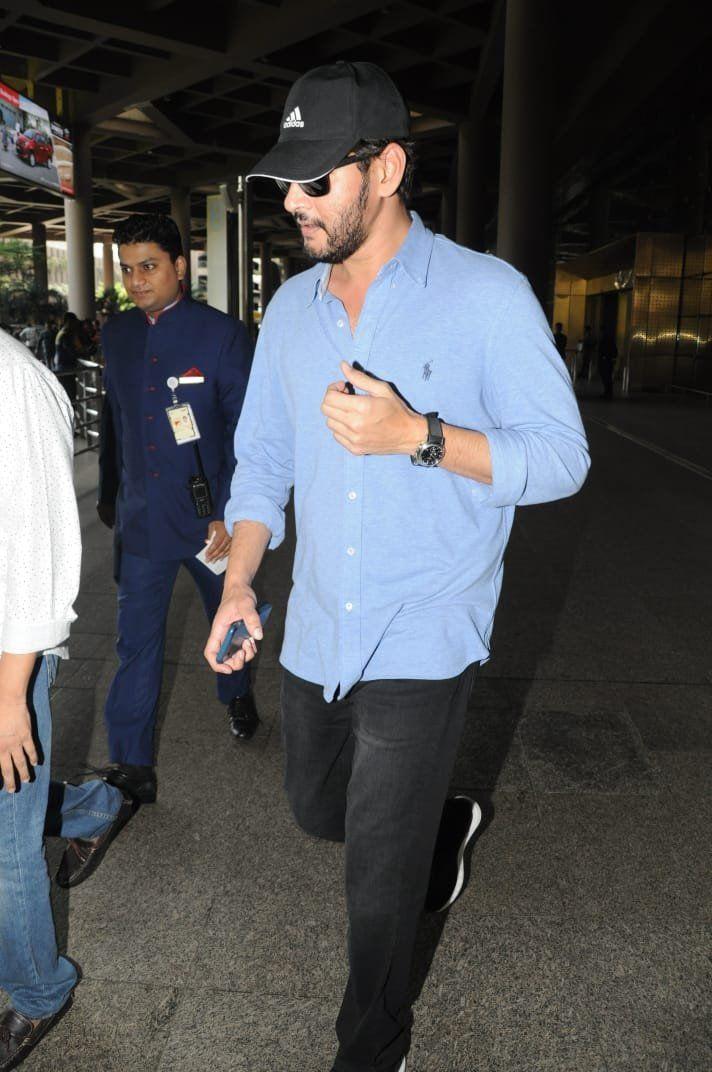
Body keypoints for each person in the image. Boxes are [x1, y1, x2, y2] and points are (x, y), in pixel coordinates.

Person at [204, 61, 590, 1072]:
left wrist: (420, 434)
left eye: (314, 181)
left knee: (376, 882)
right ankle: (444, 824)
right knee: (315, 809)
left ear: (386, 170)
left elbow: (561, 457)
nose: (291, 203)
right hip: (319, 625)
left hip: (426, 630)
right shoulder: (289, 312)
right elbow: (262, 464)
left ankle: (371, 1050)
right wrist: (241, 580)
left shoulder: (483, 296)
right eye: (282, 182)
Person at [0, 328, 135, 1070]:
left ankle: (37, 991)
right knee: (10, 804)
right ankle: (91, 806)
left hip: (5, 658)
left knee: (4, 844)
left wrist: (11, 696)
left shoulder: (10, 382)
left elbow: (35, 553)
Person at [95, 213, 256, 808]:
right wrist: (111, 494)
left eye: (149, 267)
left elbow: (248, 432)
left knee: (228, 616)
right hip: (142, 522)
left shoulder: (221, 335)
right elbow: (116, 426)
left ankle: (236, 690)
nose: (137, 281)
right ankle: (131, 764)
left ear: (179, 267)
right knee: (135, 644)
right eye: (128, 269)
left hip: (210, 522)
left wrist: (233, 511)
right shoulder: (117, 335)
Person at [598, 329, 618, 399]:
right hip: (609, 362)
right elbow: (615, 352)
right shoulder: (611, 341)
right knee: (608, 377)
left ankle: (607, 392)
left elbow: (601, 351)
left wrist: (604, 357)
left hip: (605, 362)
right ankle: (608, 392)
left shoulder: (604, 341)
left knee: (606, 377)